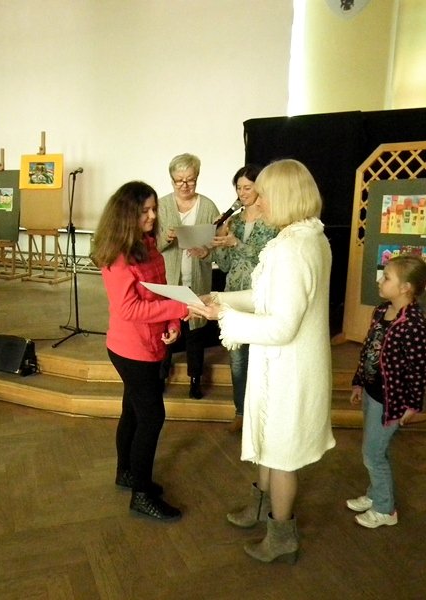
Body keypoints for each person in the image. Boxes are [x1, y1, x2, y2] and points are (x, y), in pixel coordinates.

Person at [188, 159, 335, 564]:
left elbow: (282, 326)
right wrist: (220, 298)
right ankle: (260, 507)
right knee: (271, 443)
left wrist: (222, 315)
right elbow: (267, 297)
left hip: (288, 366)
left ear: (284, 196)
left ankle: (281, 534)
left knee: (282, 454)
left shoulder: (293, 249)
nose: (257, 200)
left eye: (265, 193)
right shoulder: (307, 237)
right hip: (286, 364)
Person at [91, 180, 189, 521]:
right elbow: (129, 309)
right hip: (131, 349)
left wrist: (172, 322)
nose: (152, 216)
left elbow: (160, 291)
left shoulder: (148, 246)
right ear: (126, 214)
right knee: (151, 417)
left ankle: (127, 473)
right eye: (144, 211)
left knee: (133, 412)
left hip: (150, 342)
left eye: (154, 209)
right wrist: (180, 309)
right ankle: (142, 495)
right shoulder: (118, 256)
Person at [347, 253, 426, 528]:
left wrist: (412, 405)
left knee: (373, 454)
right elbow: (369, 350)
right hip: (372, 393)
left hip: (390, 401)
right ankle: (376, 495)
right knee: (373, 449)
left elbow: (419, 368)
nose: (380, 281)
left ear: (405, 287)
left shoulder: (414, 324)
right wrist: (359, 381)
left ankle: (385, 509)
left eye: (386, 278)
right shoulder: (382, 311)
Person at [211, 165, 278, 433]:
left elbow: (266, 258)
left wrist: (236, 244)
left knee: (262, 358)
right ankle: (240, 412)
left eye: (247, 187)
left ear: (260, 187)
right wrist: (219, 238)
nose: (242, 193)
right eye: (238, 188)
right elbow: (225, 265)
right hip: (233, 295)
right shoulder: (235, 221)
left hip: (261, 295)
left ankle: (263, 415)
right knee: (237, 360)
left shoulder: (273, 220)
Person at [156, 153, 220, 399]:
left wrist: (206, 250)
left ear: (197, 178)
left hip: (197, 279)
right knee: (165, 328)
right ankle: (161, 375)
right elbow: (152, 246)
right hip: (169, 281)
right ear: (171, 180)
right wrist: (166, 238)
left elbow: (217, 246)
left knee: (196, 331)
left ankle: (195, 379)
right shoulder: (161, 206)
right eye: (179, 180)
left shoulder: (208, 206)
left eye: (190, 180)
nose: (184, 185)